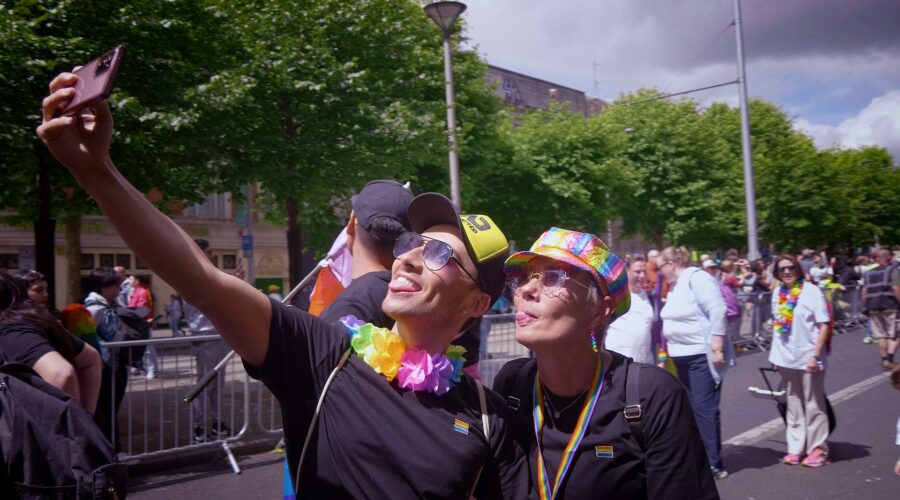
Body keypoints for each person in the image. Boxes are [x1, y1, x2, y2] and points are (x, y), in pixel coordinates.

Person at [37, 79, 528, 497]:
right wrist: (97, 172)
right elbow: (202, 280)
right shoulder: (325, 357)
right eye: (414, 240)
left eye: (441, 254)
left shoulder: (488, 417)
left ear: (477, 303)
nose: (413, 254)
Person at [493, 228, 718, 499]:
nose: (527, 289)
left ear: (600, 309)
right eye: (525, 277)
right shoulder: (513, 385)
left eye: (552, 277)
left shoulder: (652, 396)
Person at [655, 246, 732, 479]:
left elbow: (718, 310)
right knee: (690, 408)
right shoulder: (677, 285)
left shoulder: (697, 278)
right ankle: (699, 457)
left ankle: (713, 463)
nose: (659, 272)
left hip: (700, 355)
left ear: (671, 263)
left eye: (660, 267)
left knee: (704, 409)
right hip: (681, 357)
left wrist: (717, 348)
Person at [0, 271, 102, 414]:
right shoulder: (37, 320)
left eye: (45, 289)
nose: (46, 295)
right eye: (38, 290)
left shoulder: (14, 331)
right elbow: (91, 358)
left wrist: (74, 425)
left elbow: (62, 374)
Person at [768, 254, 832, 467]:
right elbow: (778, 327)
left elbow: (824, 324)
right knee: (793, 404)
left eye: (790, 268)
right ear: (777, 273)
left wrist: (815, 354)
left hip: (809, 357)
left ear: (798, 269)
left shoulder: (812, 291)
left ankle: (818, 449)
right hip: (786, 357)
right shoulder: (778, 293)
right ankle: (796, 448)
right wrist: (775, 356)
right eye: (782, 269)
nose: (786, 272)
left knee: (814, 403)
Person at [182, 239, 236, 443]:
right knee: (204, 385)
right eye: (208, 251)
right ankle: (200, 426)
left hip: (216, 336)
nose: (211, 255)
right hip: (205, 338)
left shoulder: (205, 273)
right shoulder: (192, 275)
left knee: (216, 385)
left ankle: (216, 423)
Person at [84, 267, 129, 450]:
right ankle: (111, 449)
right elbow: (89, 338)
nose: (119, 290)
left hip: (115, 364)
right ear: (104, 288)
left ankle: (112, 448)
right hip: (105, 366)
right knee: (106, 409)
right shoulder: (94, 310)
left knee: (111, 408)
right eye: (116, 286)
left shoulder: (111, 305)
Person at [605, 254, 655, 364]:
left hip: (645, 362)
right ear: (626, 272)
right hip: (619, 362)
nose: (642, 276)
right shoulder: (617, 296)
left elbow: (654, 330)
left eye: (644, 271)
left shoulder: (650, 297)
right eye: (637, 272)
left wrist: (661, 357)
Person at [861, 248, 900, 370]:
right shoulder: (894, 271)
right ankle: (889, 359)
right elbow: (896, 288)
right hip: (889, 305)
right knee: (896, 334)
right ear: (888, 258)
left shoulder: (868, 273)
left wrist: (865, 306)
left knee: (881, 335)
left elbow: (864, 291)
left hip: (873, 306)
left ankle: (884, 359)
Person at [128, 275, 158, 380]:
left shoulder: (143, 292)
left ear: (137, 281)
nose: (129, 281)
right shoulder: (134, 291)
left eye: (131, 279)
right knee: (144, 349)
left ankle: (152, 370)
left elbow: (143, 308)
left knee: (148, 348)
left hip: (143, 323)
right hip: (137, 323)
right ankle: (146, 369)